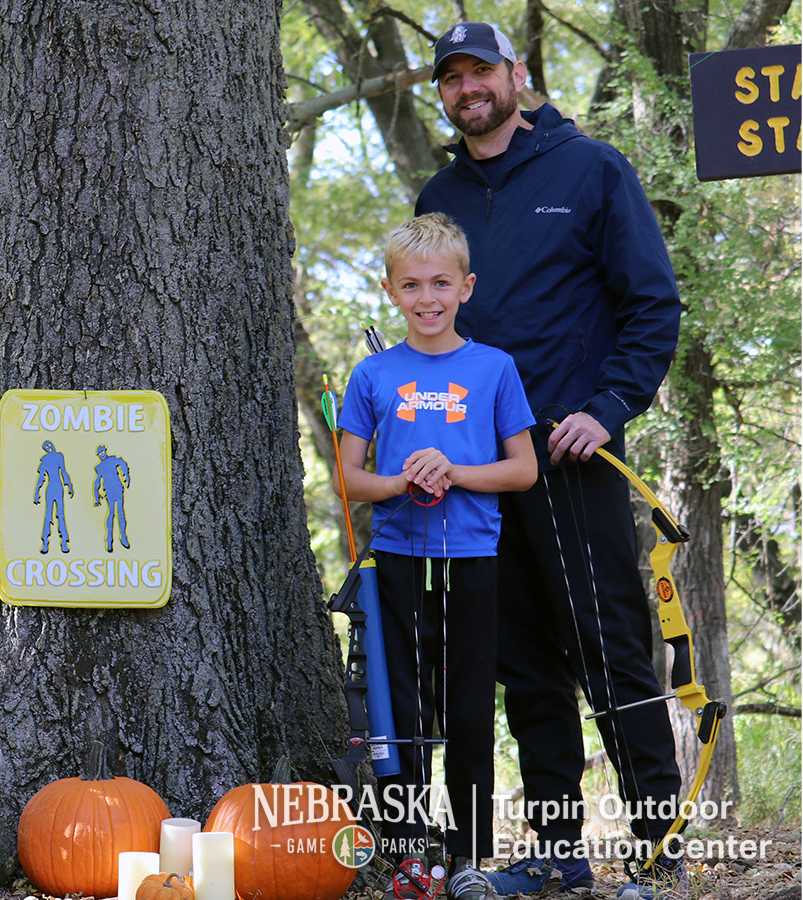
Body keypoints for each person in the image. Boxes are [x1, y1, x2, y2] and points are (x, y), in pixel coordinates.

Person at [416, 22, 685, 900]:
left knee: (612, 656)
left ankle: (658, 849)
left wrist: (605, 412)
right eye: (451, 78)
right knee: (524, 670)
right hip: (480, 480)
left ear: (516, 75)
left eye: (480, 71)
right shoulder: (440, 194)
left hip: (572, 464)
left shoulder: (592, 170)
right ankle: (559, 854)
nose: (468, 89)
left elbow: (652, 306)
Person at [337, 213, 537, 900]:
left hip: (474, 559)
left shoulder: (494, 369)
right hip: (396, 560)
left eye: (442, 284)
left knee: (471, 710)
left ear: (467, 286)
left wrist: (449, 468)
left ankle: (468, 854)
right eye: (413, 285)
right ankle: (407, 854)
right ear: (390, 290)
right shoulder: (373, 374)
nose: (428, 299)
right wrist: (403, 481)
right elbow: (350, 478)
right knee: (403, 714)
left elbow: (522, 470)